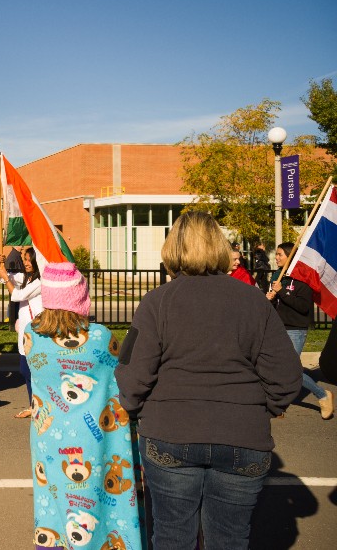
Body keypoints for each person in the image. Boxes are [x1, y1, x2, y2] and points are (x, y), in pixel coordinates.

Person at [115, 212, 303, 549]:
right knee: (230, 538)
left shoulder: (158, 302)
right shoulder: (253, 302)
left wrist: (137, 408)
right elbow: (287, 377)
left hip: (169, 433)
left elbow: (132, 374)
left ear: (172, 249)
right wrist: (259, 411)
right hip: (242, 436)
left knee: (172, 535)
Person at [24, 263, 146, 550]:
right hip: (99, 436)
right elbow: (120, 376)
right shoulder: (101, 337)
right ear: (81, 297)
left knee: (54, 501)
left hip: (50, 438)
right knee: (102, 502)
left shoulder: (32, 336)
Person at [268, 241, 334, 419]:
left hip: (295, 330)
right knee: (276, 367)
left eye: (280, 254)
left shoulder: (303, 279)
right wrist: (270, 298)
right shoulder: (277, 277)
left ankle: (322, 395)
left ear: (290, 256)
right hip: (279, 328)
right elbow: (275, 305)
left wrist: (281, 292)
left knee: (291, 370)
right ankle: (278, 405)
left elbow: (303, 306)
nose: (276, 258)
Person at [0, 246, 42, 418]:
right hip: (24, 332)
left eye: (29, 260)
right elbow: (2, 278)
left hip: (37, 333)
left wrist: (6, 279)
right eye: (24, 259)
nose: (26, 263)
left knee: (34, 371)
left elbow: (18, 296)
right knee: (25, 370)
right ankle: (33, 405)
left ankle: (39, 406)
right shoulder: (26, 277)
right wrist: (2, 266)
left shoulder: (39, 281)